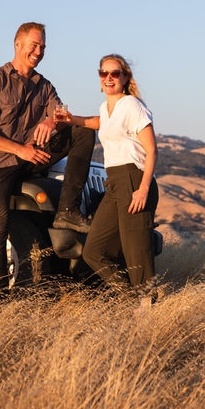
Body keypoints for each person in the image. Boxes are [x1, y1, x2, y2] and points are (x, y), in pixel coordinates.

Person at [0, 22, 95, 300]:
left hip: (30, 157)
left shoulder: (44, 86)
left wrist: (52, 121)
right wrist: (20, 150)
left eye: (42, 47)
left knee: (83, 131)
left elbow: (63, 115)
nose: (38, 52)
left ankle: (68, 211)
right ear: (18, 45)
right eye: (34, 45)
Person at [64, 54, 159, 299]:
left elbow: (152, 150)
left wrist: (143, 189)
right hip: (115, 182)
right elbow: (100, 122)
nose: (109, 78)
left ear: (125, 77)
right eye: (103, 73)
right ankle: (132, 299)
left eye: (114, 73)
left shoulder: (131, 105)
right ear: (99, 78)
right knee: (94, 250)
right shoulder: (106, 109)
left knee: (136, 252)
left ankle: (145, 304)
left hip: (134, 179)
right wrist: (72, 119)